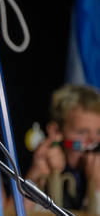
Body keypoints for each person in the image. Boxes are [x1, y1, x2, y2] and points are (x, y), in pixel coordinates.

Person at [25, 84, 100, 214]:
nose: (92, 141)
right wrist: (35, 175)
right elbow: (12, 212)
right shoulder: (42, 169)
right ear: (56, 131)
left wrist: (97, 187)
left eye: (99, 132)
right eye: (82, 132)